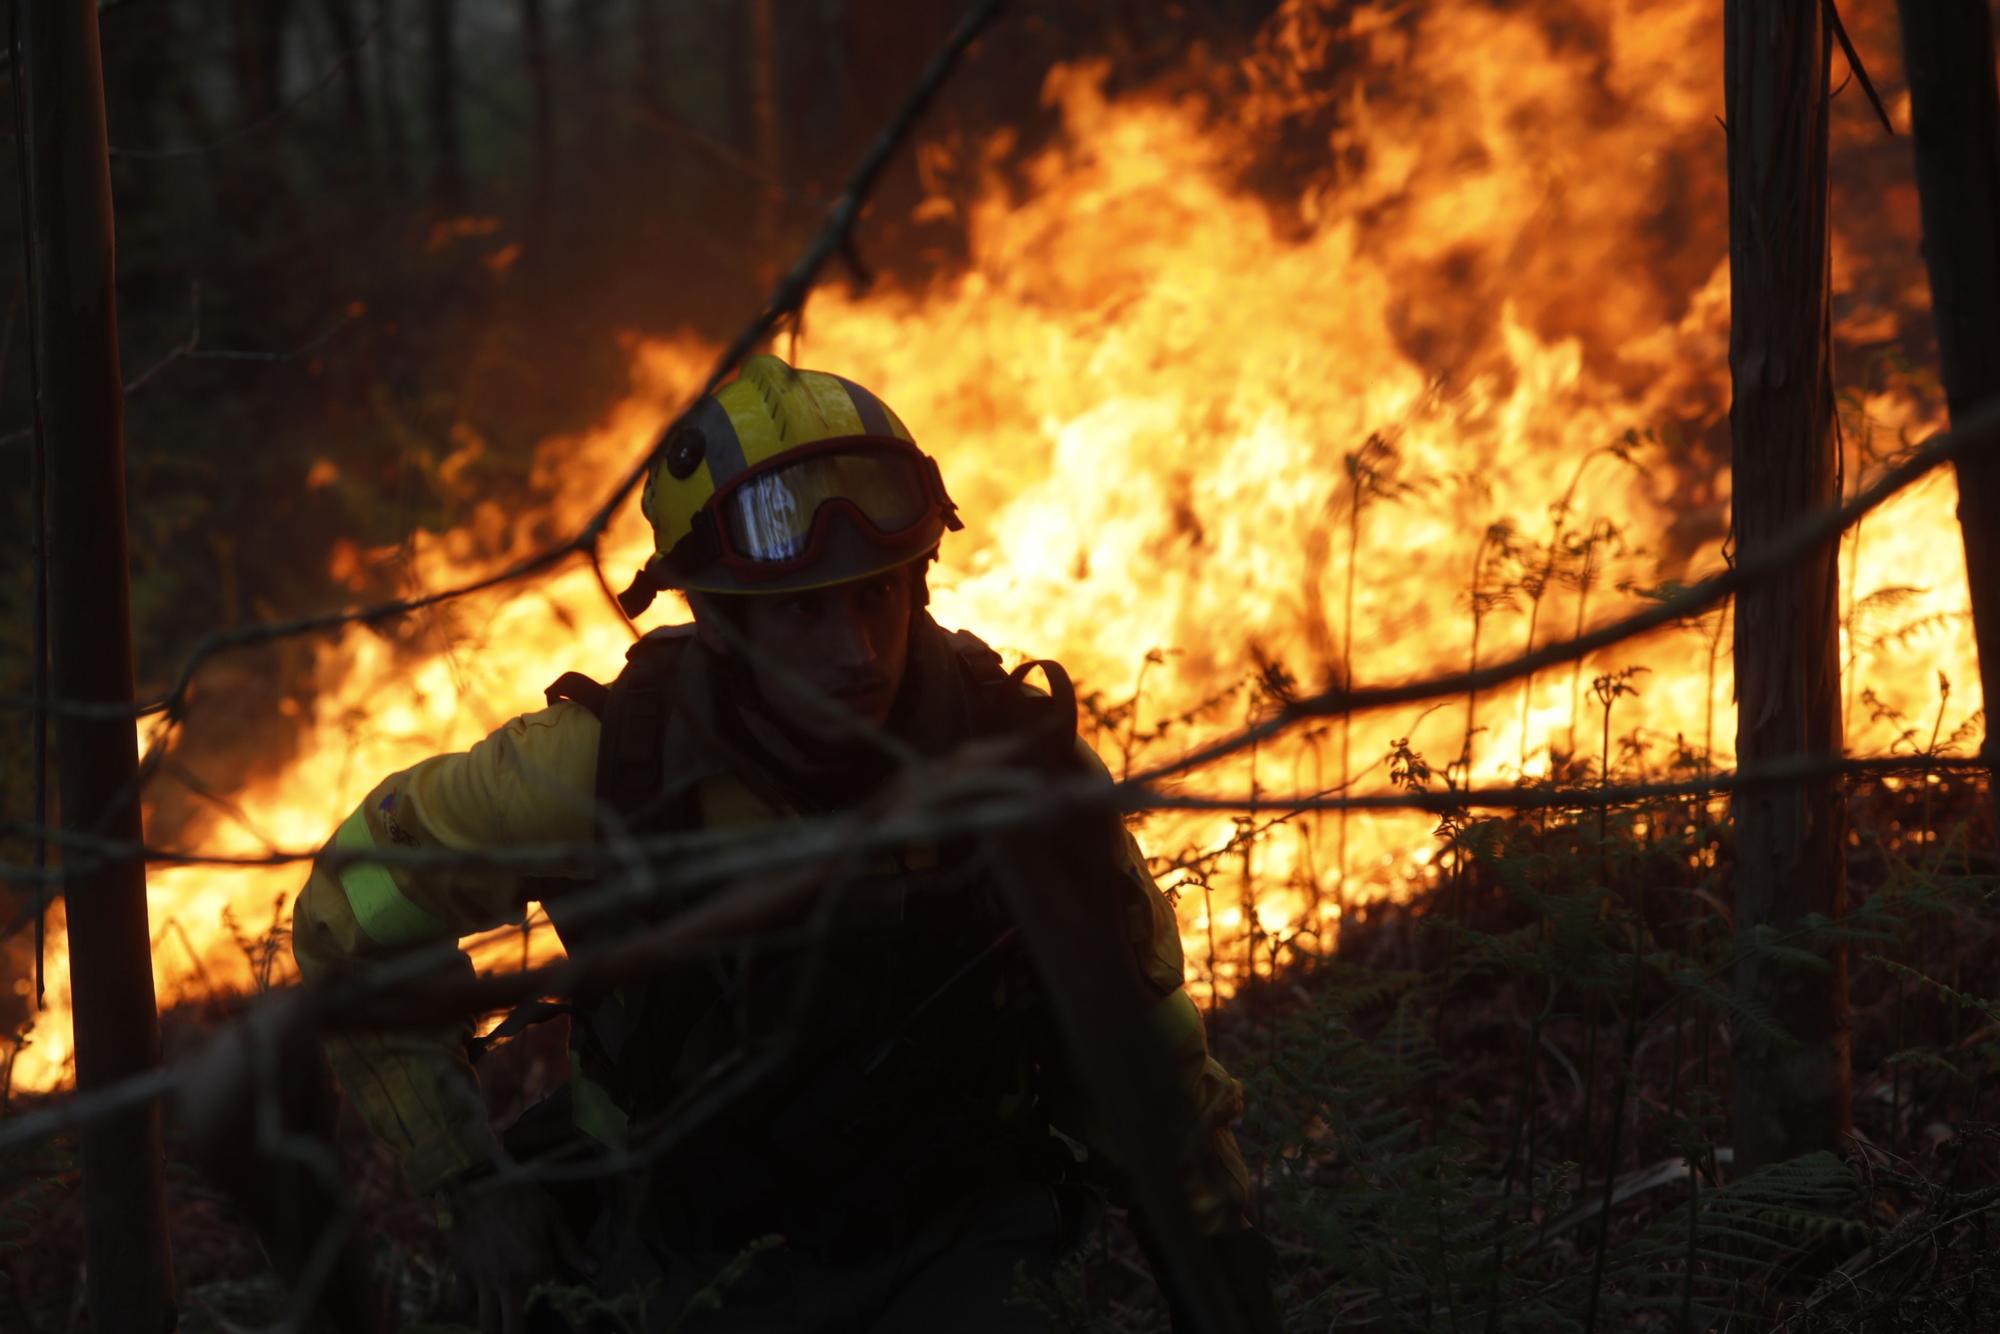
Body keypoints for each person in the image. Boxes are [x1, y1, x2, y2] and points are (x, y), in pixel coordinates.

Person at [292, 354, 1282, 1333]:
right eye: (801, 608)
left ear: (917, 583)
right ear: (718, 622)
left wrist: (1215, 1246)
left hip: (962, 1240)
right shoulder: (602, 772)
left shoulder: (1009, 761)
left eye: (874, 595)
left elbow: (1137, 1036)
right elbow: (352, 908)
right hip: (683, 1245)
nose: (854, 650)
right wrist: (472, 1184)